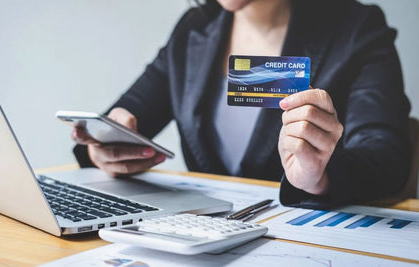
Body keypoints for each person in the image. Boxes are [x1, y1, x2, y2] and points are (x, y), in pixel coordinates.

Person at [72, 0, 411, 208]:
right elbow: (123, 117)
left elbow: (387, 156)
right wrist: (103, 148)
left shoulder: (356, 29)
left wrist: (317, 177)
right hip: (199, 237)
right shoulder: (194, 29)